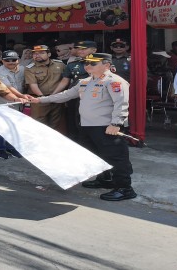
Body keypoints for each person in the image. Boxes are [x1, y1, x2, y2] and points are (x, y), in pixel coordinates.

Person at [29, 53, 136, 201]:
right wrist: (40, 100)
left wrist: (116, 123)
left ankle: (125, 188)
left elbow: (121, 104)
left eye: (93, 63)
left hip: (107, 127)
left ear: (106, 65)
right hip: (87, 126)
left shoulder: (114, 81)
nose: (88, 66)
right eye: (86, 63)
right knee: (97, 156)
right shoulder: (85, 81)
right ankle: (105, 179)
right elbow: (66, 95)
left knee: (116, 157)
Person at [56, 40, 97, 139]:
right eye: (78, 48)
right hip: (74, 96)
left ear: (94, 50)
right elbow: (64, 81)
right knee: (73, 120)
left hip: (93, 97)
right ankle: (75, 141)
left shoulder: (102, 63)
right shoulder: (72, 64)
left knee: (90, 121)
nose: (80, 51)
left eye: (84, 49)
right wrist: (54, 95)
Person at [24, 45, 68, 134]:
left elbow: (65, 80)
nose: (37, 55)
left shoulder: (60, 65)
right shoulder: (30, 68)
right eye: (35, 53)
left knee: (56, 125)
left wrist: (53, 97)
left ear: (49, 54)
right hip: (39, 100)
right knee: (39, 125)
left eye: (41, 53)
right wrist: (43, 98)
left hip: (56, 99)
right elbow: (33, 86)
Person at [0, 50, 25, 159]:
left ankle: (12, 147)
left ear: (18, 60)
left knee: (14, 127)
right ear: (2, 61)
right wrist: (23, 96)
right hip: (2, 103)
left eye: (13, 60)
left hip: (18, 104)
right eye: (7, 60)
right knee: (0, 127)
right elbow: (8, 88)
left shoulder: (23, 69)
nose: (11, 62)